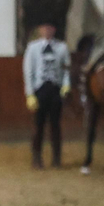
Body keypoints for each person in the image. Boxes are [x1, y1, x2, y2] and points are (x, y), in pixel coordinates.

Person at [22, 22, 70, 170]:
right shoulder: (33, 48)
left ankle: (56, 158)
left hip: (55, 89)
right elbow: (28, 71)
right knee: (38, 125)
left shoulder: (62, 47)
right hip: (40, 89)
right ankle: (36, 158)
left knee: (55, 125)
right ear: (40, 30)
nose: (47, 31)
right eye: (44, 28)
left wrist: (66, 85)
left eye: (50, 28)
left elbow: (66, 69)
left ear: (54, 30)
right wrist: (30, 94)